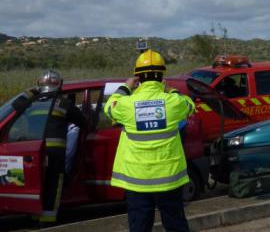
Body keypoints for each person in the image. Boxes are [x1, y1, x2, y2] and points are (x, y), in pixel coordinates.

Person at [104, 50, 195, 232]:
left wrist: (125, 87)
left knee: (139, 227)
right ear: (162, 75)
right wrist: (170, 90)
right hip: (169, 178)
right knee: (176, 225)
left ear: (138, 76)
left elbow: (109, 108)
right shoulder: (173, 102)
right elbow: (189, 105)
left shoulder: (126, 104)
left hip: (137, 180)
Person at [12, 70, 86, 224]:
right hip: (55, 152)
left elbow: (16, 105)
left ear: (40, 84)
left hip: (34, 151)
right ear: (60, 85)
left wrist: (31, 91)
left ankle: (35, 215)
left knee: (37, 183)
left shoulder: (33, 103)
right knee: (53, 183)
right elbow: (83, 122)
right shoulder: (64, 103)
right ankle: (48, 220)